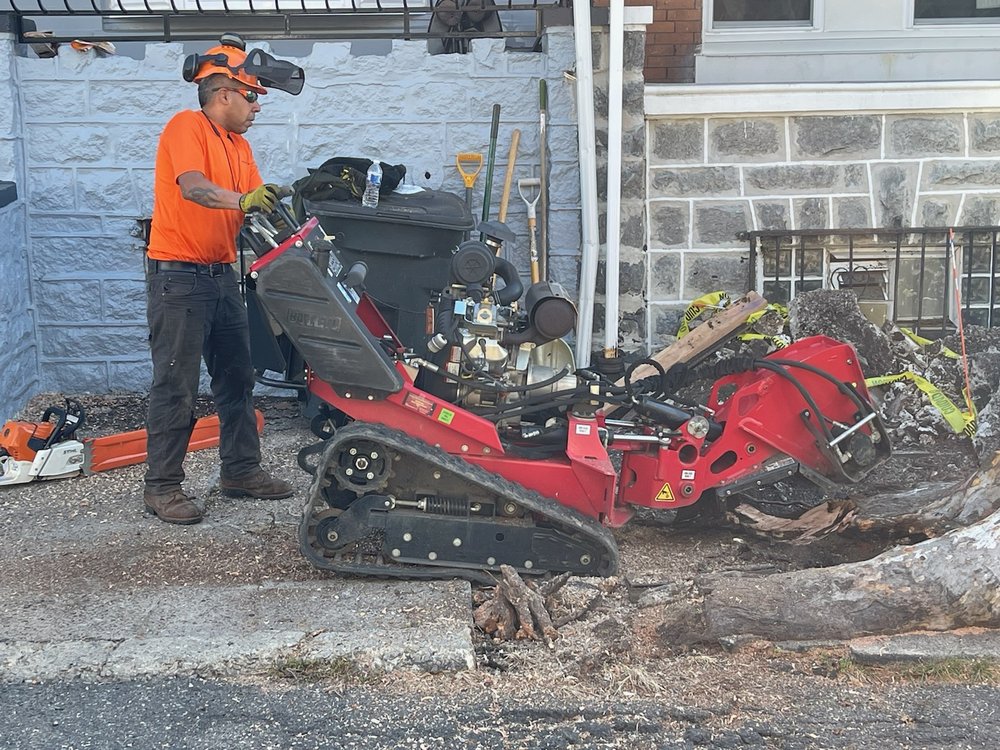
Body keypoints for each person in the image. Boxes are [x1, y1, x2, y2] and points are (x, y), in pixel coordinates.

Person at [143, 35, 299, 525]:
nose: (257, 106)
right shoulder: (186, 126)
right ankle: (162, 488)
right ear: (223, 94)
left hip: (222, 277)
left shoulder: (240, 146)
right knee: (177, 385)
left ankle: (240, 471)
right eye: (252, 96)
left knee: (237, 379)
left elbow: (257, 206)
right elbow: (195, 189)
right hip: (180, 279)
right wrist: (242, 201)